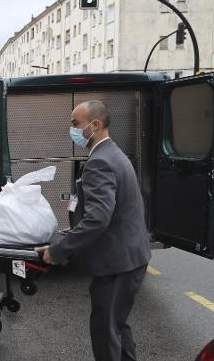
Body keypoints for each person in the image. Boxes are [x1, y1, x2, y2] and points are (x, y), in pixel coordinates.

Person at [36, 100, 151, 361]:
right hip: (129, 258)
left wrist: (58, 250)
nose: (72, 129)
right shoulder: (113, 154)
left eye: (76, 124)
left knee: (105, 332)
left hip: (117, 264)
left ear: (95, 125)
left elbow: (98, 219)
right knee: (116, 326)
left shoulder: (100, 162)